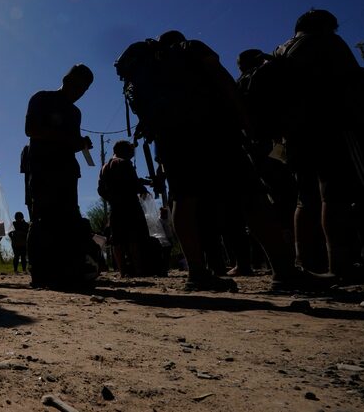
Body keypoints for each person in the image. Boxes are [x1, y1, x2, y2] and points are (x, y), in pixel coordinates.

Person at [115, 31, 327, 292]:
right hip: (213, 131)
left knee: (184, 199)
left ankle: (197, 272)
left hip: (172, 140)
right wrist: (247, 124)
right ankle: (284, 271)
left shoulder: (146, 69)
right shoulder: (190, 47)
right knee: (252, 196)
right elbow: (223, 80)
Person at [273, 10, 364, 280]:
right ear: (325, 26)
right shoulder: (326, 42)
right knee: (335, 194)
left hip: (294, 136)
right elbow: (351, 84)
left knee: (305, 199)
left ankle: (306, 262)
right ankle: (339, 264)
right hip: (330, 127)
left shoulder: (279, 53)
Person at [25, 64, 96, 290]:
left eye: (83, 88)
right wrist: (68, 139)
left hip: (67, 171)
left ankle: (65, 271)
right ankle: (40, 274)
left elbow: (71, 142)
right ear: (66, 80)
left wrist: (81, 144)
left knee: (68, 220)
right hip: (44, 168)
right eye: (77, 84)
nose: (79, 91)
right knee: (42, 218)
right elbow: (32, 130)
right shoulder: (42, 99)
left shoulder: (75, 113)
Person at [98, 140, 153, 277]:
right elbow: (133, 182)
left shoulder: (105, 166)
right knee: (133, 237)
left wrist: (111, 199)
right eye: (131, 151)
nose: (132, 154)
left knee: (117, 239)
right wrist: (143, 189)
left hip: (115, 207)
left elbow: (100, 190)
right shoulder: (124, 162)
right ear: (125, 150)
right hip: (129, 205)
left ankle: (122, 271)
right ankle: (139, 270)